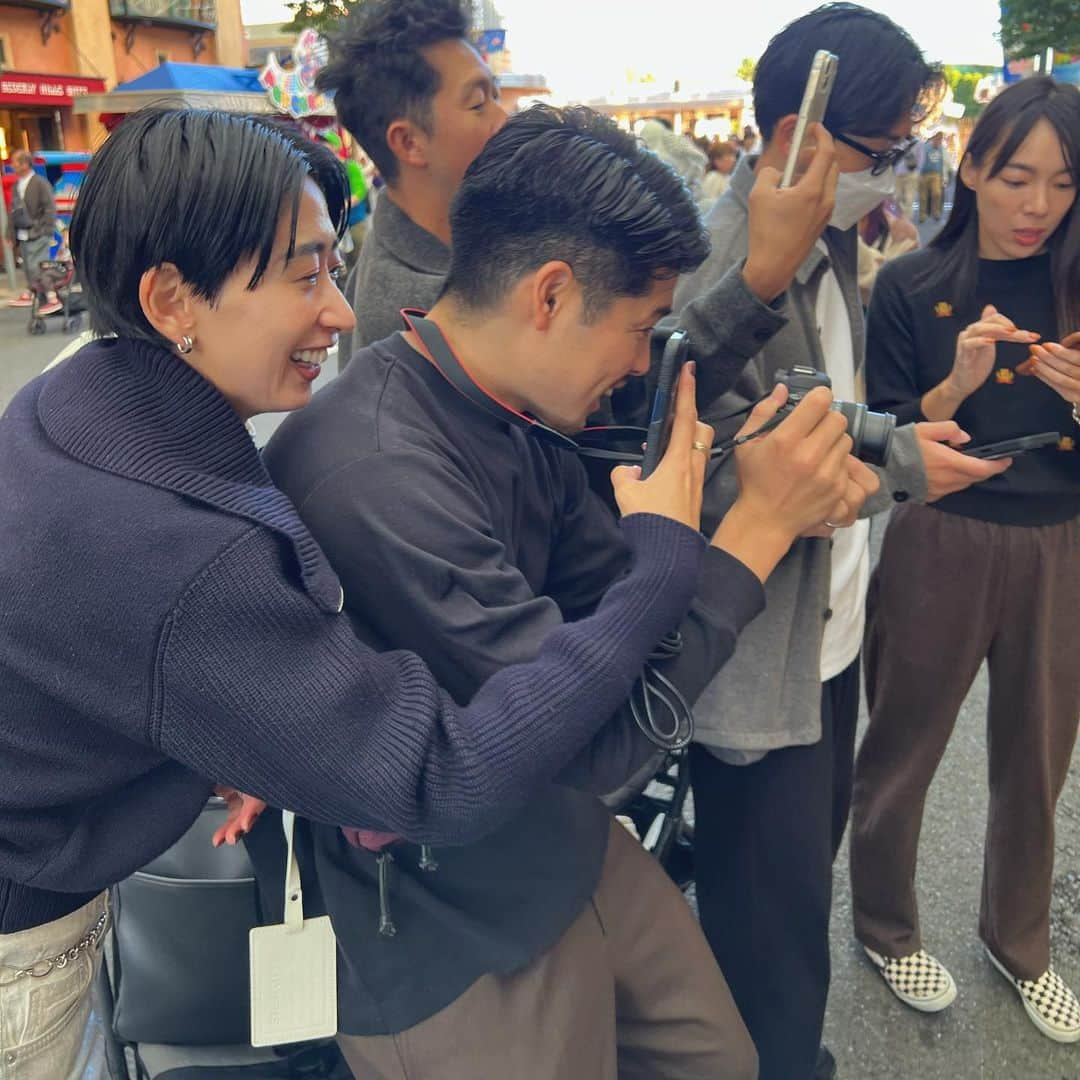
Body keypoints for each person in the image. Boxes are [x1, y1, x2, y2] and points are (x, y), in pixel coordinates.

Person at [0, 107, 726, 1079]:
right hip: (27, 937)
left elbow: (112, 651)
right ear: (172, 299)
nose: (342, 312)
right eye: (305, 275)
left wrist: (230, 729)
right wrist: (670, 560)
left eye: (334, 267)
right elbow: (443, 779)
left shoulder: (75, 404)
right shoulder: (189, 545)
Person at [255, 102, 878, 1080]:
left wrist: (766, 497)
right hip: (440, 919)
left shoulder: (507, 405)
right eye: (638, 330)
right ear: (549, 296)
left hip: (568, 846)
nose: (640, 363)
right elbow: (595, 741)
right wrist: (754, 533)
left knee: (721, 1061)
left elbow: (622, 600)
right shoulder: (374, 474)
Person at [651, 6, 1010, 1078]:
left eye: (904, 149)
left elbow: (825, 413)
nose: (893, 173)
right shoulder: (722, 263)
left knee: (798, 891)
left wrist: (903, 440)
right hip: (761, 661)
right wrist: (893, 470)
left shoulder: (830, 246)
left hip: (828, 639)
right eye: (878, 150)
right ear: (797, 137)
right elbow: (704, 477)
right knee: (767, 928)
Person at [851, 74, 1080, 1044]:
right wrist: (957, 383)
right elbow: (890, 439)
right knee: (904, 745)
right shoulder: (908, 283)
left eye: (1064, 184)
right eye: (1018, 177)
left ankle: (1019, 938)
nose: (1038, 206)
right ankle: (884, 923)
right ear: (972, 166)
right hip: (941, 536)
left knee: (1039, 757)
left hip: (1062, 540)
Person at [319, 0, 505, 361]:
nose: (504, 120)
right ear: (409, 143)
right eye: (479, 103)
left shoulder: (475, 233)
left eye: (495, 95)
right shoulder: (415, 316)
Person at [4, 150, 60, 314]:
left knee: (38, 266)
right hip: (23, 235)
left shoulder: (40, 183)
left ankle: (51, 298)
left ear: (25, 164)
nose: (12, 166)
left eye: (16, 162)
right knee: (29, 268)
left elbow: (50, 208)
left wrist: (44, 230)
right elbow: (12, 212)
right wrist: (10, 234)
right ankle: (41, 300)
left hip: (38, 233)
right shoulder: (17, 185)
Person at [919, 129, 948, 221]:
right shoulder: (926, 147)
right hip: (924, 174)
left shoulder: (941, 148)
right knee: (923, 196)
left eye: (940, 140)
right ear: (934, 138)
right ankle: (922, 215)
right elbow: (920, 161)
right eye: (938, 139)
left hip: (936, 174)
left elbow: (942, 162)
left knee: (937, 193)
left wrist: (943, 176)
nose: (939, 142)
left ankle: (936, 212)